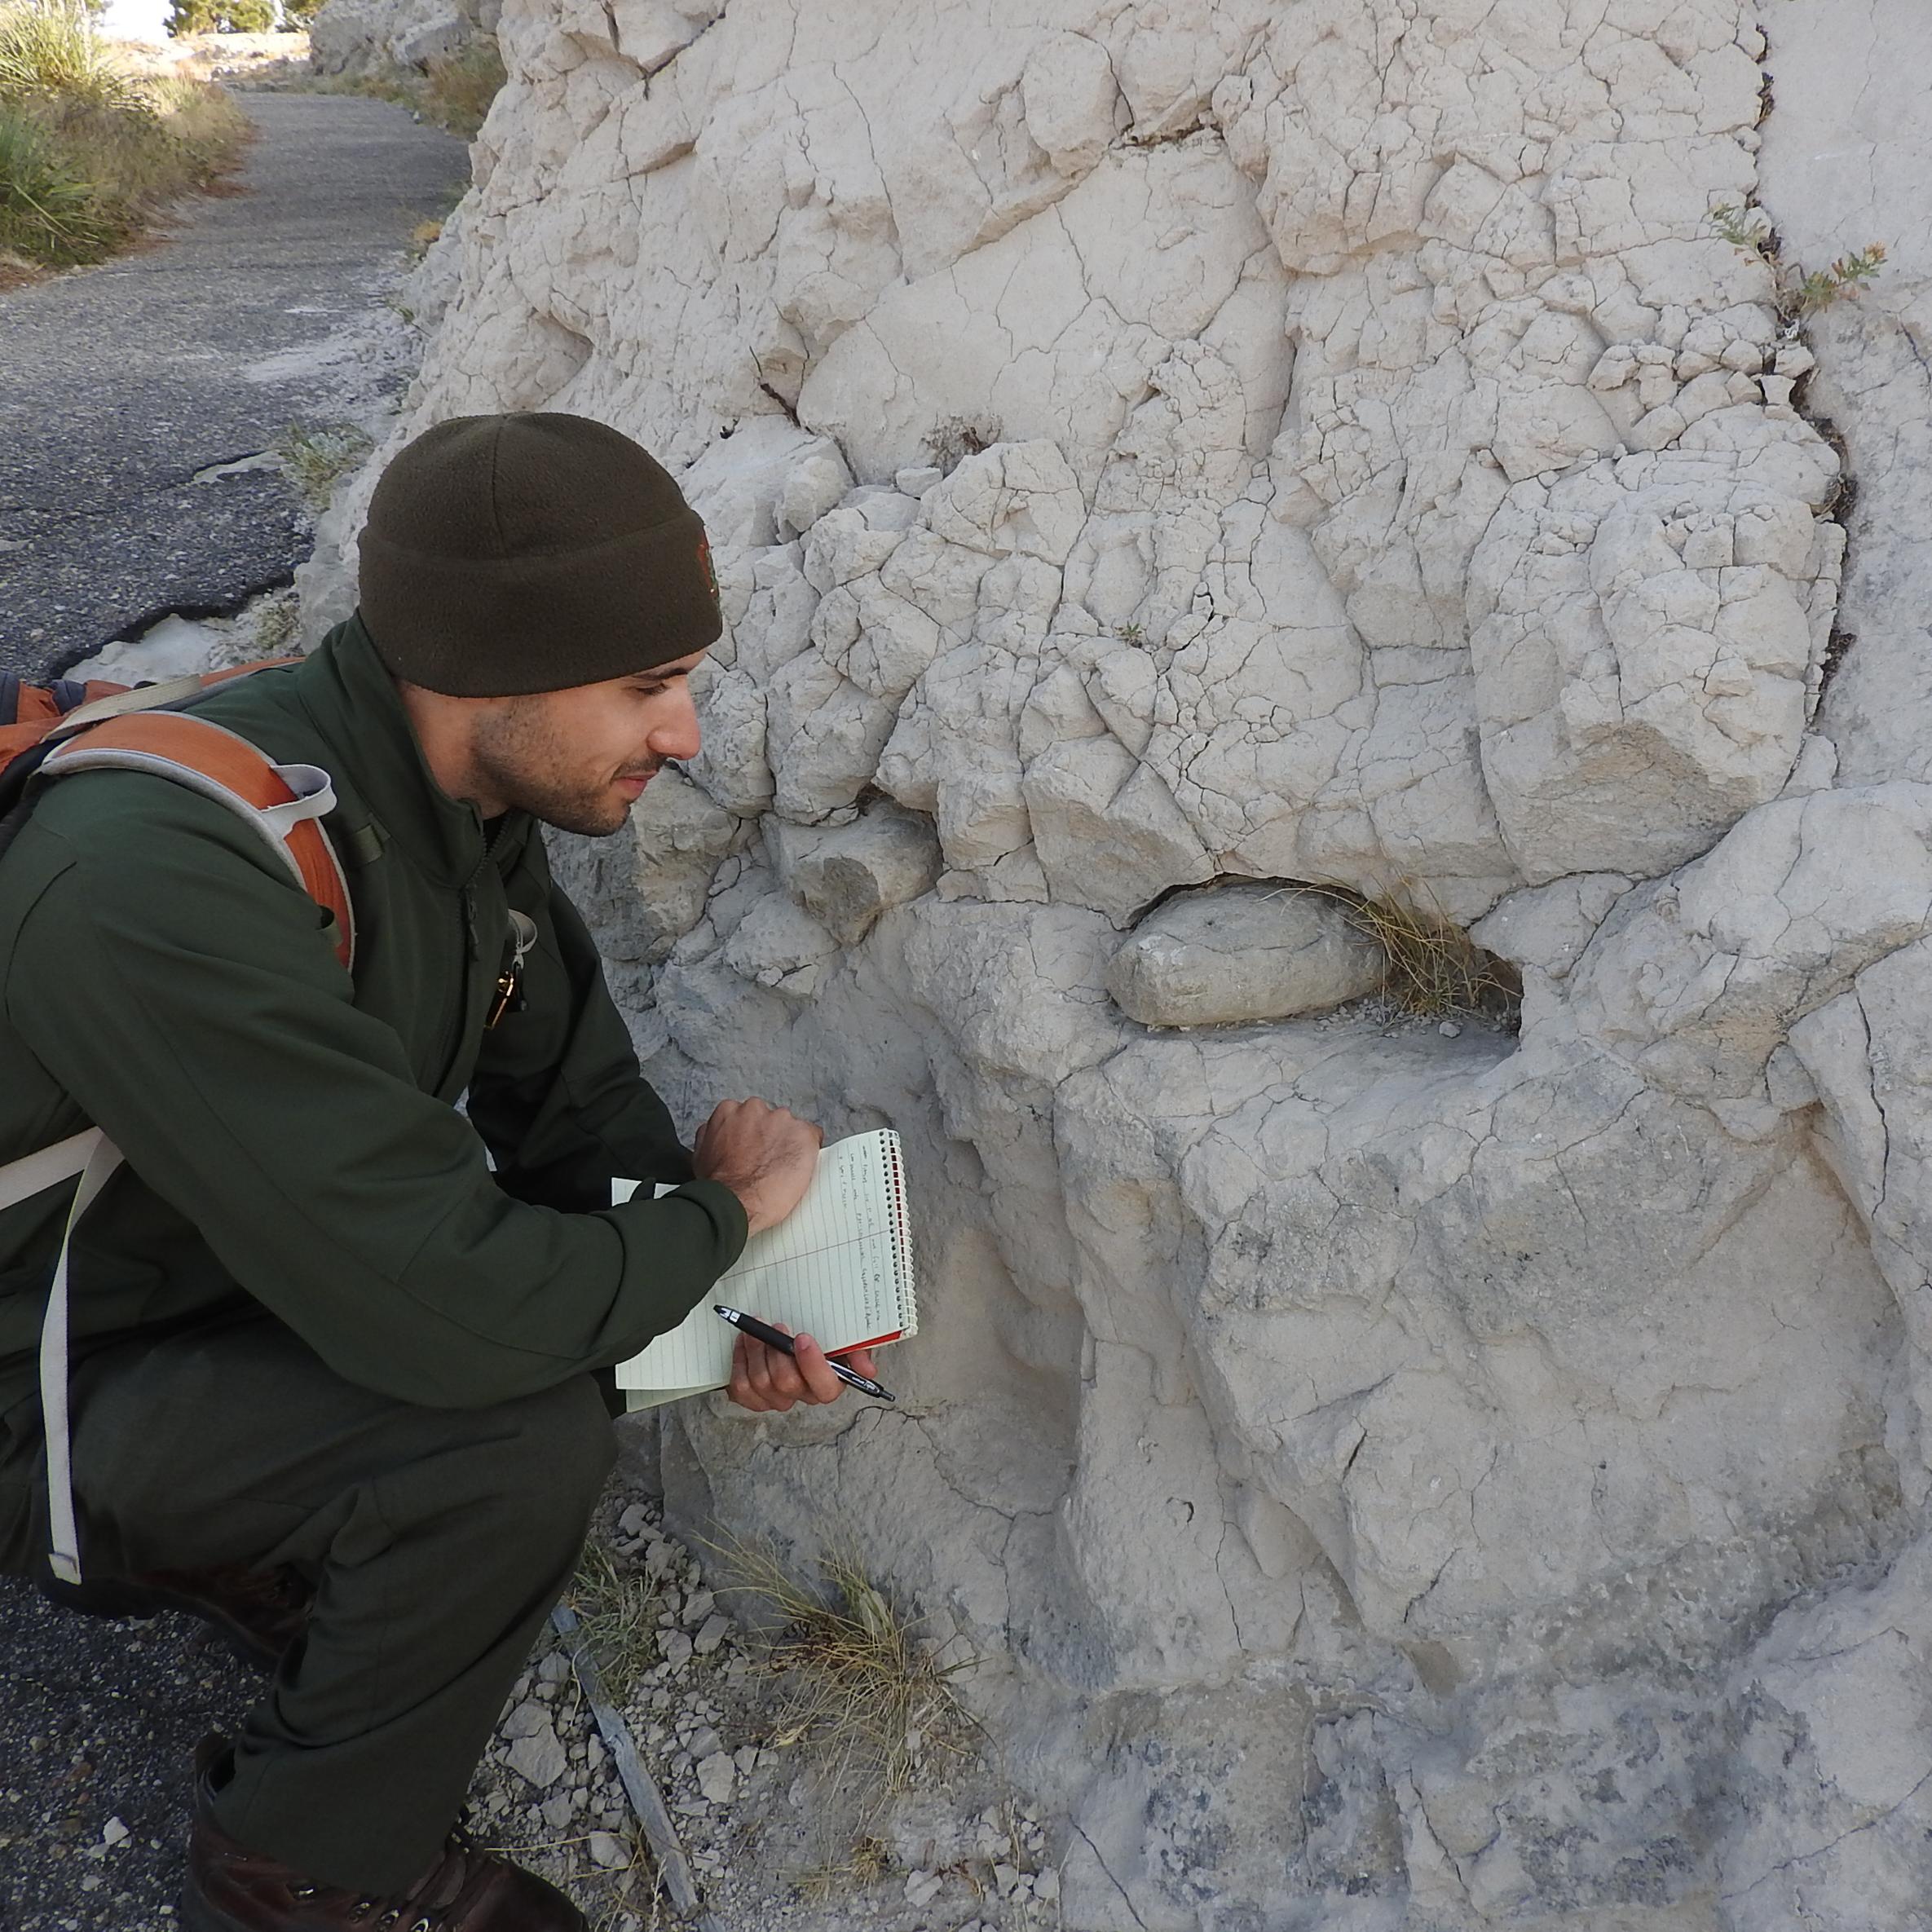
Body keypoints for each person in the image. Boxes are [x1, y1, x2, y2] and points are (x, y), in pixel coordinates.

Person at [0, 412, 877, 1932]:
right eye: (647, 685)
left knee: (547, 1344)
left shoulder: (450, 804)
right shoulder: (156, 873)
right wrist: (719, 1217)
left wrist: (734, 1298)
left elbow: (576, 1110)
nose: (682, 733)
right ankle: (302, 1861)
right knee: (514, 1423)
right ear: (497, 663)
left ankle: (269, 1538)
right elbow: (460, 1319)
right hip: (36, 1384)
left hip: (205, 1294)